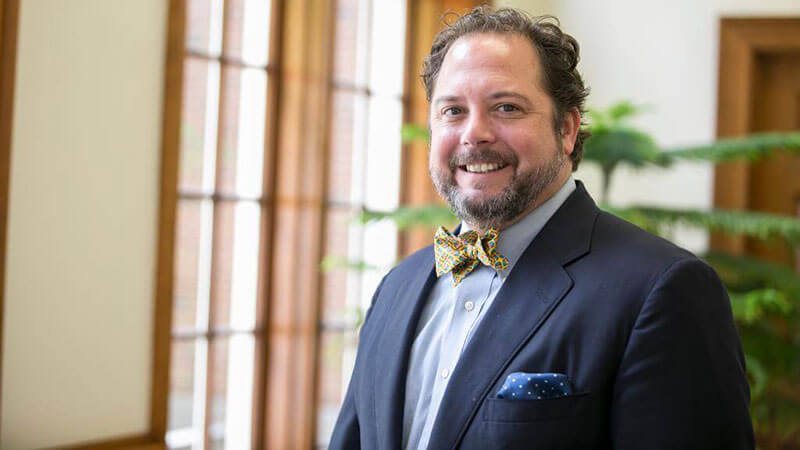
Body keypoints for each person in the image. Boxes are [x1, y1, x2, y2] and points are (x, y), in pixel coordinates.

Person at [329, 6, 753, 450]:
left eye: (506, 107)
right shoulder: (395, 289)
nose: (475, 134)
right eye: (453, 110)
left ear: (567, 129)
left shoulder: (662, 291)